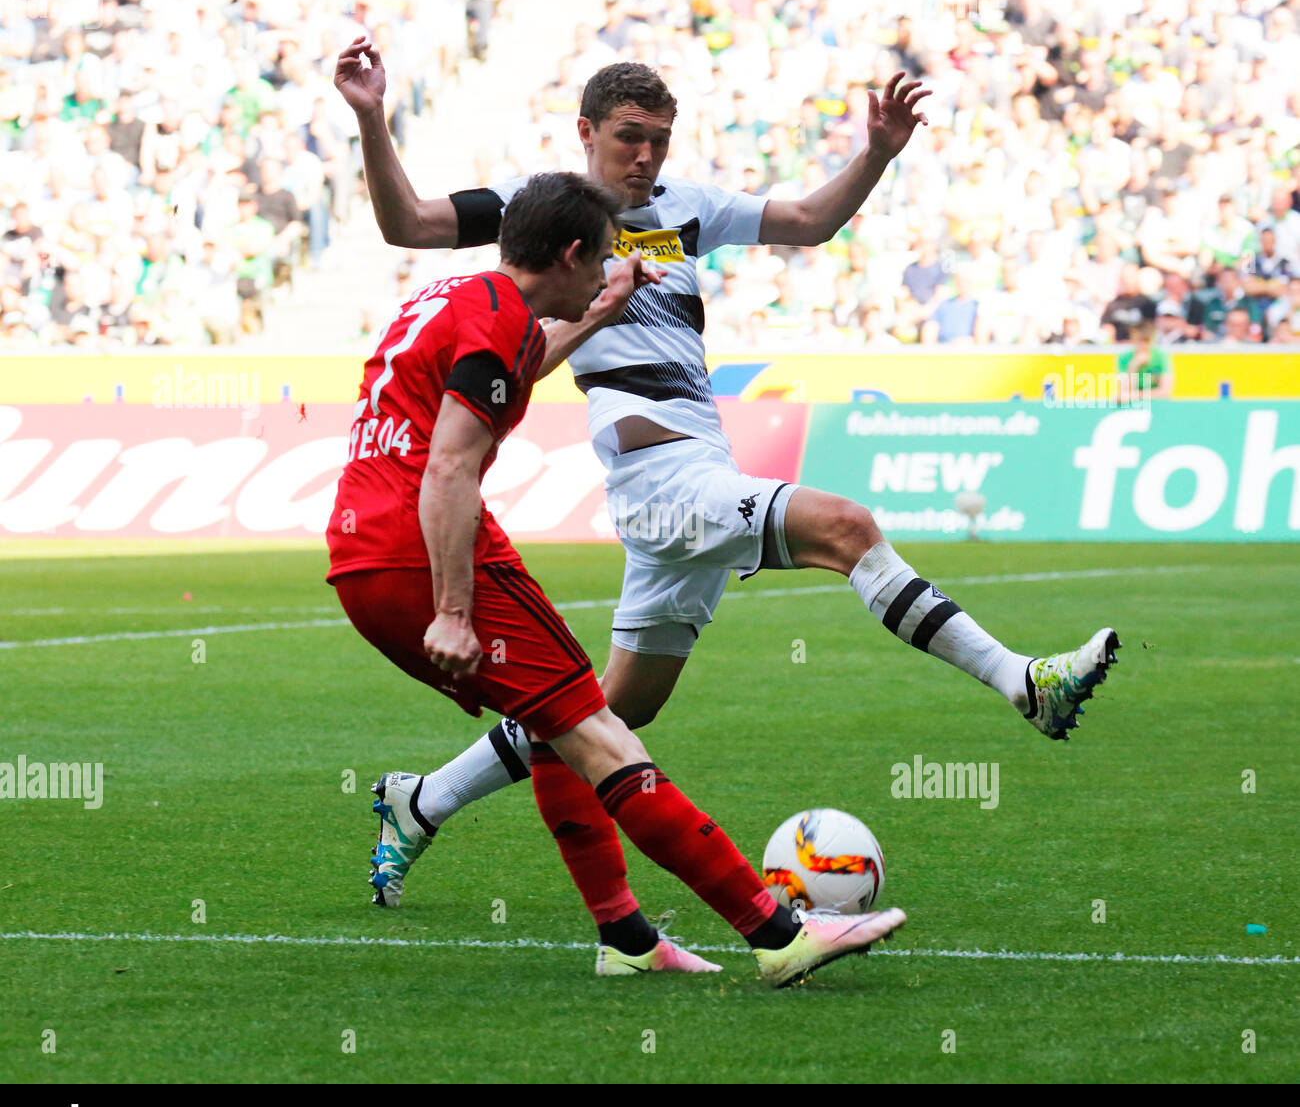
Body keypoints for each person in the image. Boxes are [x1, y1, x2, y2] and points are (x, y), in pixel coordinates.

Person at [333, 45, 1119, 907]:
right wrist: (373, 115)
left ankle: (424, 799)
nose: (646, 157)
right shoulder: (540, 211)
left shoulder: (689, 209)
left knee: (606, 711)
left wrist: (878, 154)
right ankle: (1022, 682)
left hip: (700, 467)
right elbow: (406, 222)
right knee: (848, 529)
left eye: (660, 141)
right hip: (653, 475)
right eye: (630, 137)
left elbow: (810, 220)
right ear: (587, 132)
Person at [327, 171, 905, 986]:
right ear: (568, 254)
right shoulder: (496, 318)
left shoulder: (464, 295)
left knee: (564, 724)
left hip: (367, 545)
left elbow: (507, 375)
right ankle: (776, 933)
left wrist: (596, 315)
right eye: (600, 260)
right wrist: (454, 611)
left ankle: (627, 940)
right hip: (421, 547)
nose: (608, 274)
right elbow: (451, 467)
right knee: (600, 734)